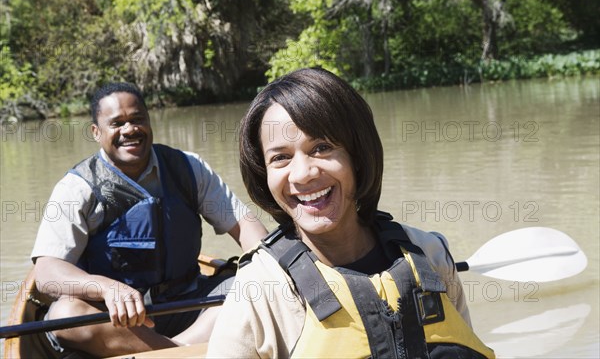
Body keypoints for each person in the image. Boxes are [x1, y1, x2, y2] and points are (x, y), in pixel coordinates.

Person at [207, 68, 495, 358]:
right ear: (263, 175)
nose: (303, 174)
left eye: (322, 147)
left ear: (357, 155)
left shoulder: (430, 254)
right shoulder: (257, 292)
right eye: (280, 158)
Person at [30, 82, 268, 358]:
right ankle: (185, 353)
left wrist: (271, 268)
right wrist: (106, 287)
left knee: (255, 284)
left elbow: (248, 229)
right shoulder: (76, 188)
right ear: (96, 132)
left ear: (149, 121)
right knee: (64, 314)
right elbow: (47, 272)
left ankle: (171, 351)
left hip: (189, 305)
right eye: (116, 123)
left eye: (137, 119)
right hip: (117, 320)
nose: (129, 129)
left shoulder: (189, 168)